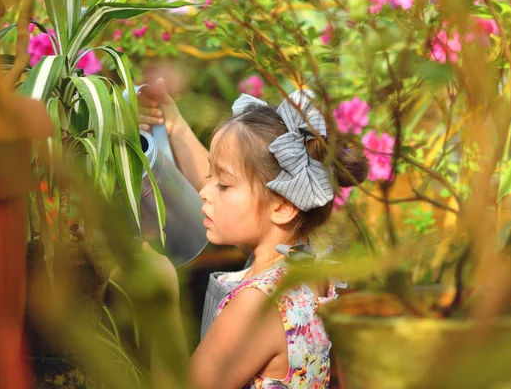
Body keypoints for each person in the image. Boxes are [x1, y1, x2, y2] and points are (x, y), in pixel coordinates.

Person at [137, 78, 368, 389]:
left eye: (223, 184)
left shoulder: (256, 306)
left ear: (283, 207)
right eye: (210, 176)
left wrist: (160, 301)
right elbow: (241, 202)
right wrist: (174, 125)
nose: (205, 192)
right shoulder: (300, 266)